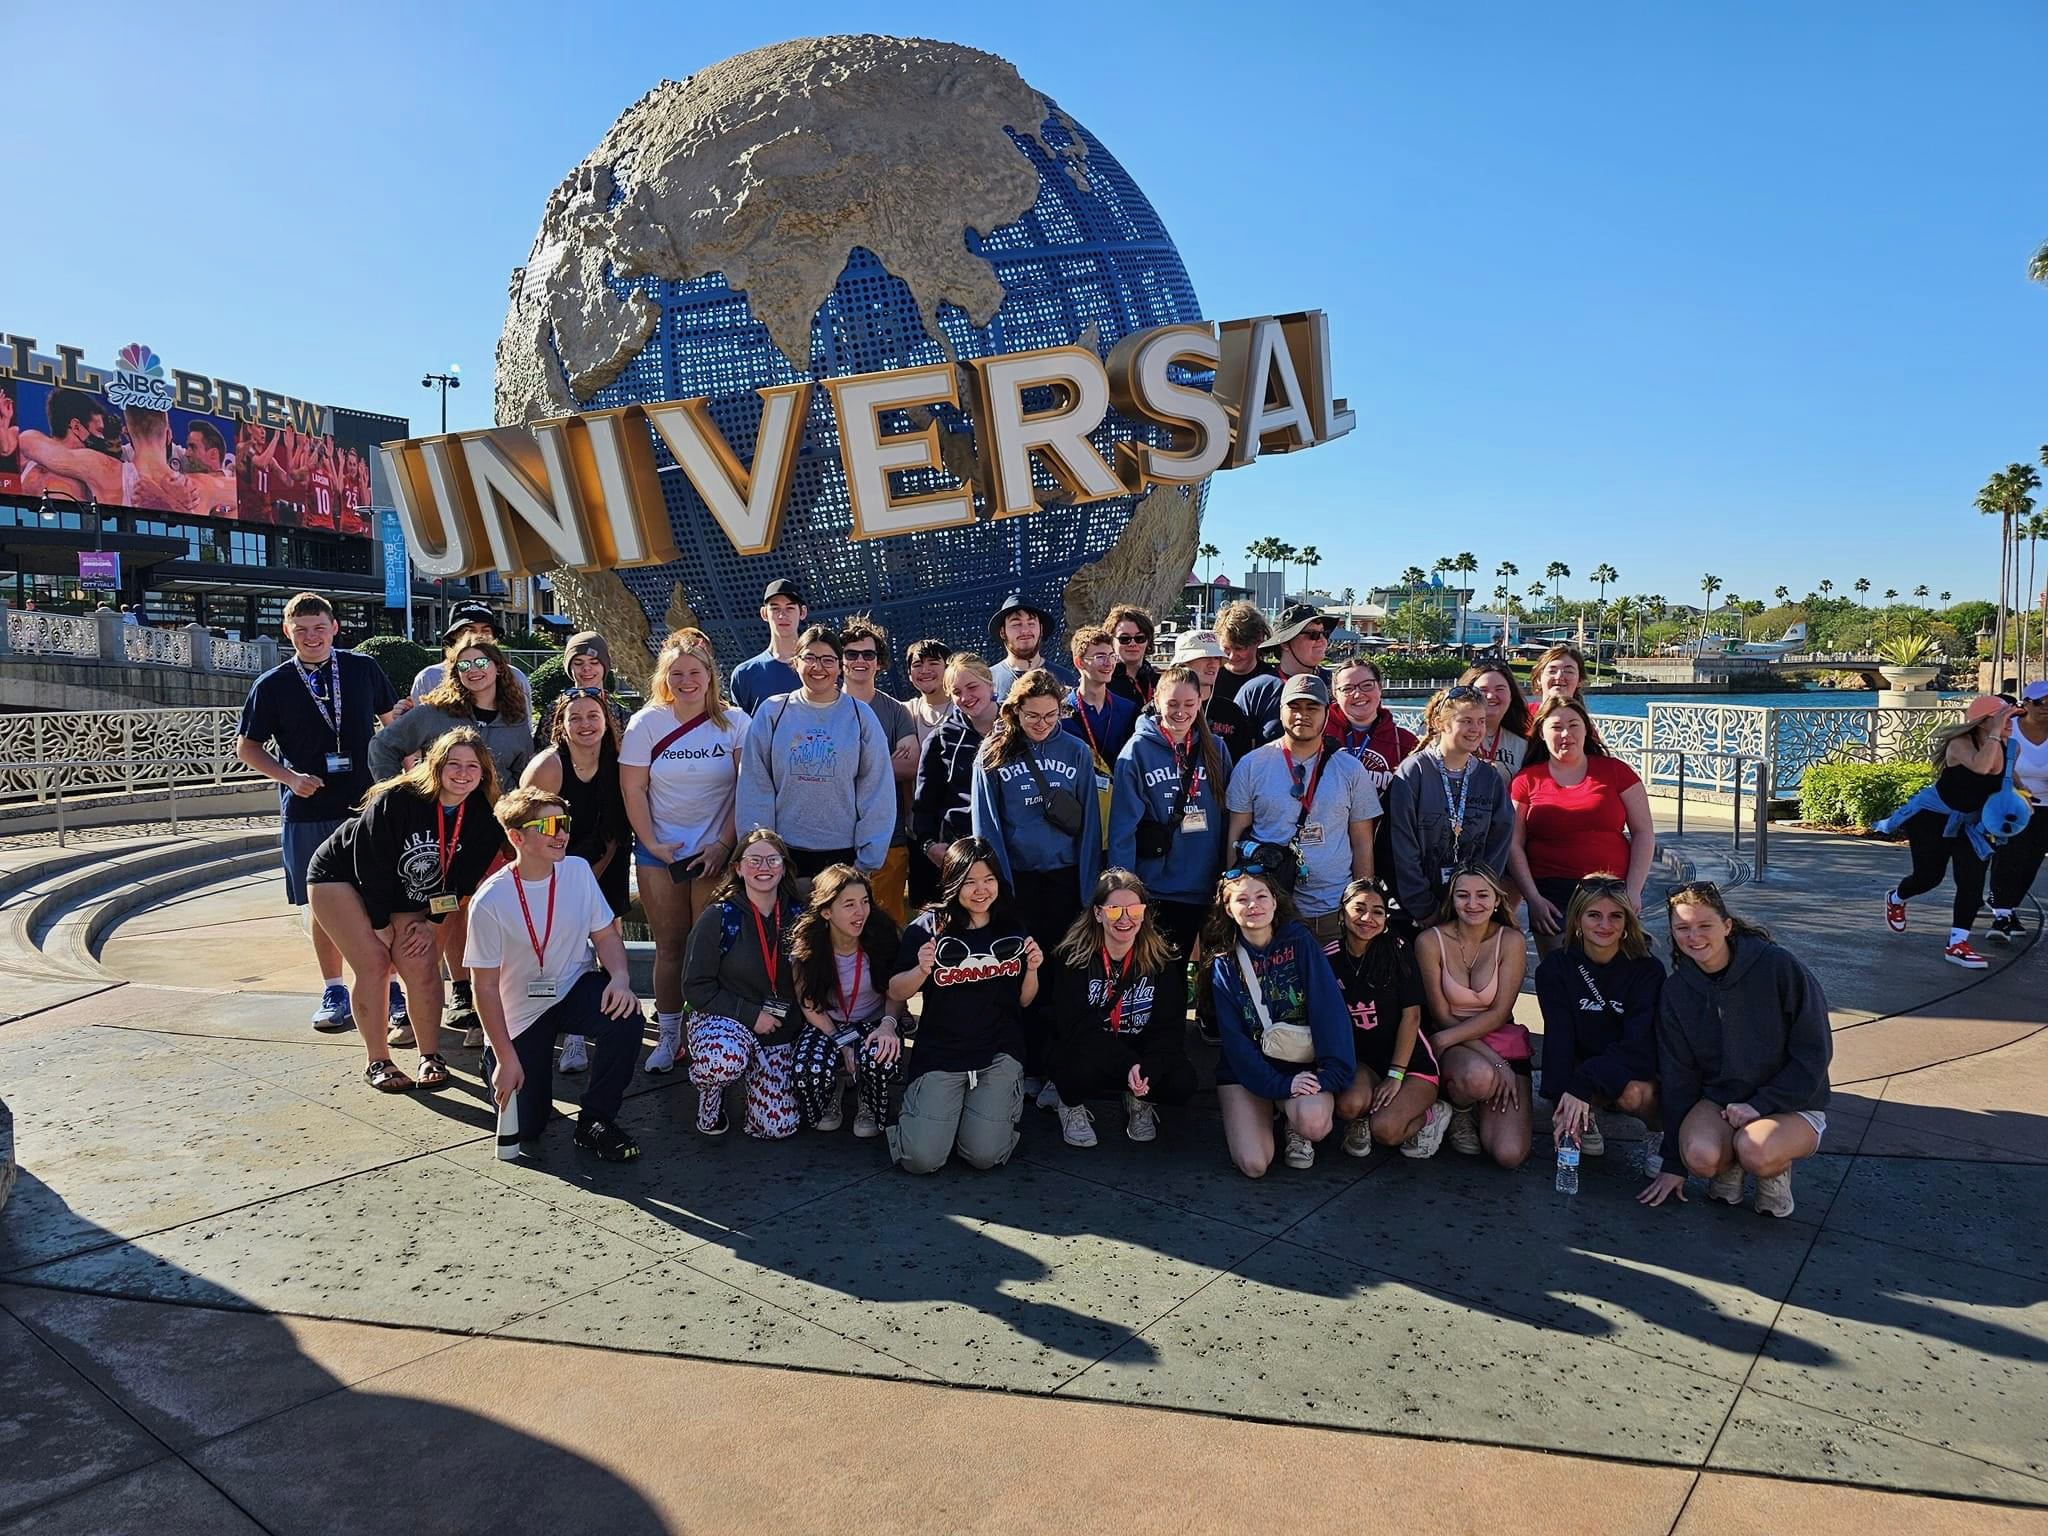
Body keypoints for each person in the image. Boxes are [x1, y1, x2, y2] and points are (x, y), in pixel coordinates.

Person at [235, 592, 402, 1033]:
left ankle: (391, 988)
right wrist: (289, 777)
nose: (311, 636)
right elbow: (247, 747)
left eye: (319, 627)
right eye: (302, 629)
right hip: (307, 808)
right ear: (288, 631)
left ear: (335, 628)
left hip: (367, 805)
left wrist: (403, 777)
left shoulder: (363, 669)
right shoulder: (271, 685)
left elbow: (395, 725)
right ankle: (334, 989)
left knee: (379, 899)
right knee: (323, 905)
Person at [304, 728, 507, 1091]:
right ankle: (377, 1060)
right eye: (453, 764)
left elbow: (458, 884)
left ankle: (430, 1055)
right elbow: (371, 864)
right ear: (436, 766)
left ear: (484, 772)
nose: (462, 773)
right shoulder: (399, 799)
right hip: (342, 877)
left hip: (407, 891)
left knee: (420, 959)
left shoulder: (482, 815)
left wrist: (431, 923)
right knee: (375, 963)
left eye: (472, 766)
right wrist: (380, 923)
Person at [466, 786, 644, 1162]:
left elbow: (606, 935)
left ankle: (595, 1121)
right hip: (519, 1012)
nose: (561, 833)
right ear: (517, 837)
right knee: (530, 1127)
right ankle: (495, 1064)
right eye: (547, 825)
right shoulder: (490, 900)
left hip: (572, 987)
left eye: (563, 823)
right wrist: (503, 1056)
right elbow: (483, 987)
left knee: (625, 1015)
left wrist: (620, 978)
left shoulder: (577, 871)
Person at [1640, 882, 1831, 1219]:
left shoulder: (1777, 966)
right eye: (1682, 928)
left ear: (1727, 926)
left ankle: (1773, 1168)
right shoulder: (1676, 990)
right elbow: (1678, 1074)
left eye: (1705, 925)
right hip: (1723, 1101)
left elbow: (1814, 1052)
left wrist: (1761, 1104)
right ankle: (1731, 1166)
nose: (1694, 936)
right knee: (1699, 1156)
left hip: (1790, 1102)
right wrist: (1673, 1161)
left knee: (1755, 1148)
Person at [618, 628, 748, 1074]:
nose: (687, 681)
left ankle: (708, 1032)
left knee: (710, 947)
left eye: (695, 673)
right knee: (670, 946)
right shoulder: (647, 723)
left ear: (710, 677)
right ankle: (670, 1034)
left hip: (716, 851)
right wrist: (652, 842)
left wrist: (725, 844)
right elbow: (633, 788)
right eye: (677, 674)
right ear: (664, 678)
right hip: (662, 852)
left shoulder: (735, 723)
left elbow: (744, 790)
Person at [970, 667, 1103, 1100]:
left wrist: (1088, 892)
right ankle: (1020, 1064)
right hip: (1017, 882)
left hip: (1064, 882)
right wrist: (997, 890)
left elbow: (1090, 830)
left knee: (1064, 977)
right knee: (1020, 973)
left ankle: (1055, 1068)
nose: (1042, 724)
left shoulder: (1079, 752)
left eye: (1050, 716)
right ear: (1014, 712)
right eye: (1032, 716)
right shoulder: (993, 752)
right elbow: (986, 828)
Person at [885, 837, 1041, 1173]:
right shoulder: (927, 928)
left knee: (984, 1156)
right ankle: (933, 1119)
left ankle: (975, 1120)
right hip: (942, 1051)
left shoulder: (1011, 924)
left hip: (997, 1050)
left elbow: (1025, 1000)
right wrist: (921, 969)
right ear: (953, 882)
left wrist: (1032, 969)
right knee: (921, 1160)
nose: (980, 890)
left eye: (988, 879)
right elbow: (896, 991)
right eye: (969, 881)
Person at [1202, 862, 1355, 1174]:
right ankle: (1273, 1106)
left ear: (1275, 901)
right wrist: (1279, 1086)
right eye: (1242, 900)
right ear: (1229, 910)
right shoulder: (1224, 965)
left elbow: (1330, 1014)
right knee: (1254, 1164)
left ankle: (1293, 1122)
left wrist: (1329, 1076)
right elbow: (1235, 1041)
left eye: (1261, 897)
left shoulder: (1300, 942)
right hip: (1249, 1073)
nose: (1253, 906)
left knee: (1313, 1124)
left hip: (1302, 1064)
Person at [1107, 665, 1229, 1032]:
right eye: (1172, 702)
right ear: (1156, 701)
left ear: (1200, 701)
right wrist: (1123, 889)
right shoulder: (1137, 751)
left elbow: (1227, 815)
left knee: (1204, 969)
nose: (1180, 711)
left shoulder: (1215, 748)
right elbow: (1122, 828)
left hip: (1203, 881)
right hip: (1157, 883)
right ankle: (1161, 1048)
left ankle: (1185, 1042)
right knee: (1161, 972)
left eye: (1189, 703)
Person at [520, 688, 630, 1076]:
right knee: (563, 945)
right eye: (576, 718)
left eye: (593, 716)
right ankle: (569, 1035)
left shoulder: (619, 762)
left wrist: (595, 872)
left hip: (608, 861)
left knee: (608, 937)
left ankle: (604, 1015)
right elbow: (522, 825)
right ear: (561, 727)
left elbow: (620, 822)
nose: (585, 724)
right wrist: (565, 876)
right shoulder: (549, 766)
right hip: (556, 867)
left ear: (606, 722)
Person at [1045, 869, 1198, 1146]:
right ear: (1098, 913)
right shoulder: (1073, 958)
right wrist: (1126, 1063)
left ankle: (1139, 1098)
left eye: (1135, 910)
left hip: (1139, 1051)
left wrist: (1146, 1067)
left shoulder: (1161, 960)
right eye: (1115, 911)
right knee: (1072, 1069)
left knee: (1182, 1081)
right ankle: (1070, 1104)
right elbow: (1075, 1027)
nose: (1125, 919)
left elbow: (1169, 1028)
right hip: (1093, 1050)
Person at [1224, 674, 1379, 942]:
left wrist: (1362, 902)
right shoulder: (1252, 765)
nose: (1302, 715)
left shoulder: (1351, 769)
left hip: (1333, 910)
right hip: (1268, 911)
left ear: (1327, 713)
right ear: (1281, 710)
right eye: (1294, 707)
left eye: (1312, 708)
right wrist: (1233, 895)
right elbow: (1234, 838)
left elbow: (1362, 842)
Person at [737, 625, 893, 879]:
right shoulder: (772, 712)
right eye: (809, 658)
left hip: (844, 856)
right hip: (783, 854)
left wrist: (867, 860)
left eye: (828, 660)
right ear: (795, 662)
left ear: (840, 666)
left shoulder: (861, 715)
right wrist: (757, 851)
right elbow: (755, 784)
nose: (818, 667)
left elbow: (877, 789)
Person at [681, 828, 806, 1138]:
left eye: (772, 860)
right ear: (737, 867)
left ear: (784, 867)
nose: (763, 867)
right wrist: (751, 1016)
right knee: (722, 1061)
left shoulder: (800, 917)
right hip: (724, 1022)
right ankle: (712, 1094)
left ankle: (758, 1083)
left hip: (778, 1029)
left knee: (778, 1128)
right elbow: (695, 988)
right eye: (754, 860)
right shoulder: (718, 918)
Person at [1508, 695, 1656, 955]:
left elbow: (1643, 832)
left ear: (1587, 730)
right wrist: (1533, 899)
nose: (1566, 733)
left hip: (1611, 888)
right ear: (1541, 733)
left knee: (1615, 973)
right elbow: (1513, 844)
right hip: (1551, 894)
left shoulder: (1616, 771)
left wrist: (1632, 890)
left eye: (1574, 724)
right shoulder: (1526, 780)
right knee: (1560, 975)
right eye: (1556, 726)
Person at [1882, 696, 2020, 968]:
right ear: (1983, 722)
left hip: (1973, 824)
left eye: (2012, 719)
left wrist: (2024, 798)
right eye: (2005, 718)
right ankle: (1896, 898)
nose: (2011, 724)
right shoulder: (1959, 745)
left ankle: (1957, 943)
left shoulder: (2011, 747)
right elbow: (1981, 767)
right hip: (1932, 819)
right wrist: (1995, 730)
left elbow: (2009, 778)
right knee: (1928, 877)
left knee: (1972, 881)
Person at [1536, 876, 1664, 1166]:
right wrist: (1561, 1097)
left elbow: (1639, 1044)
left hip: (1629, 1063)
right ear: (1577, 920)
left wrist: (1584, 1083)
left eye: (1615, 916)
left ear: (1627, 921)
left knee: (1633, 1095)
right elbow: (1559, 1038)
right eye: (1594, 915)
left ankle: (1660, 1131)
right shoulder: (1555, 967)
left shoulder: (1648, 969)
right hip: (1582, 1064)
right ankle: (1583, 1116)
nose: (1605, 925)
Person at [1324, 878, 1450, 1158]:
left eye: (1378, 911)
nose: (1368, 918)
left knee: (1387, 1131)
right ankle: (1361, 1119)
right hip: (1364, 1062)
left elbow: (1412, 1016)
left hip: (1410, 1062)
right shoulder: (1328, 958)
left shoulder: (1399, 950)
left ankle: (1432, 1115)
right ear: (1342, 913)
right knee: (1347, 1105)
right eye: (1359, 908)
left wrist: (1395, 1074)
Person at [1416, 863, 1531, 1168]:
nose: (1472, 904)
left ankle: (1480, 1101)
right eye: (1462, 895)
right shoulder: (1430, 941)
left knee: (1509, 1154)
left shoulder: (1512, 940)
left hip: (1494, 1040)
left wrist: (1500, 1061)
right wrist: (1494, 1063)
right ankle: (1459, 1108)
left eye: (1482, 895)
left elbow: (1500, 1013)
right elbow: (1441, 1016)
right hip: (1457, 1046)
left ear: (1497, 900)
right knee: (1480, 1078)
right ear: (1451, 901)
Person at [789, 865, 905, 1138]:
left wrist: (888, 1025)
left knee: (881, 1058)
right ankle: (834, 1086)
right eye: (849, 905)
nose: (860, 912)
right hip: (829, 1022)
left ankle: (870, 1100)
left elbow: (895, 993)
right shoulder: (807, 946)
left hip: (874, 1020)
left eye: (864, 902)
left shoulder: (884, 936)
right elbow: (808, 1003)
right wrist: (841, 1044)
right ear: (826, 911)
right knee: (807, 1070)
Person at [1386, 685, 1517, 926]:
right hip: (1419, 913)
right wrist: (1425, 909)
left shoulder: (1490, 778)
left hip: (1473, 911)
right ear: (1440, 722)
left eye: (1480, 721)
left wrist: (1479, 898)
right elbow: (1402, 847)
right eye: (1466, 721)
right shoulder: (1413, 772)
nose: (1476, 729)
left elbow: (1499, 843)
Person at [838, 615, 920, 922]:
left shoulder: (896, 711)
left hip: (888, 839)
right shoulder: (825, 708)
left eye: (868, 654)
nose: (860, 661)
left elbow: (910, 764)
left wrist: (847, 765)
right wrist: (885, 759)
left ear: (879, 662)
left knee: (888, 924)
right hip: (836, 839)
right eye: (851, 654)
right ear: (841, 660)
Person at [371, 636, 535, 787]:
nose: (473, 669)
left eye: (481, 663)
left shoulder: (515, 720)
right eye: (463, 665)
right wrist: (393, 794)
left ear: (498, 667)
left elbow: (524, 776)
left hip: (495, 814)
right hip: (439, 814)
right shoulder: (433, 713)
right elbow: (382, 745)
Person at [911, 653, 999, 907]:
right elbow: (924, 802)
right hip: (965, 851)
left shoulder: (1016, 726)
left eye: (973, 687)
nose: (966, 697)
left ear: (990, 684)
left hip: (1014, 850)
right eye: (957, 692)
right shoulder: (942, 738)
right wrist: (928, 845)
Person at [1988, 680, 2048, 940]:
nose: (2046, 708)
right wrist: (2019, 789)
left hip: (2045, 806)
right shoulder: (2010, 731)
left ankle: (2009, 907)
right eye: (2041, 703)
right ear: (2025, 704)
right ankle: (2002, 913)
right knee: (2012, 856)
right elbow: (1997, 764)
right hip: (2013, 804)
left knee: (2033, 860)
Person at [1233, 604, 1335, 744]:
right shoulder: (1257, 690)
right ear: (1285, 644)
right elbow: (1235, 748)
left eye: (1325, 633)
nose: (1322, 640)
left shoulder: (1338, 684)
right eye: (1313, 635)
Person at [408, 604, 530, 701]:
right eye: (468, 631)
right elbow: (418, 727)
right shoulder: (429, 677)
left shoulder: (515, 677)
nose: (477, 636)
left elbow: (524, 725)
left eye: (485, 630)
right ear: (453, 635)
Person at [728, 577, 808, 711]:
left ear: (803, 612)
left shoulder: (819, 667)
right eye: (775, 608)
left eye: (790, 608)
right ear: (764, 613)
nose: (782, 615)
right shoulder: (744, 674)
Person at [1066, 623, 1139, 768]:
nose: (1108, 664)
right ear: (1079, 662)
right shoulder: (1062, 713)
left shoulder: (1128, 710)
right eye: (1100, 657)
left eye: (1112, 656)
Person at [987, 591, 1077, 697]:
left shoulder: (1065, 678)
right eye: (1016, 624)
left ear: (1041, 629)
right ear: (1002, 632)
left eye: (1031, 623)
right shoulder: (989, 681)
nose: (1025, 630)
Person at [1458, 659, 1531, 779]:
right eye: (1482, 690)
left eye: (1500, 689)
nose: (1491, 696)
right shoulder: (1451, 737)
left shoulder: (1522, 746)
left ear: (1511, 696)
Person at [1209, 599, 1277, 727]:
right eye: (1227, 648)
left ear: (1259, 640)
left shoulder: (1271, 682)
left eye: (1240, 648)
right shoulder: (1209, 676)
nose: (1232, 656)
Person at [900, 638, 953, 751]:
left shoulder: (965, 706)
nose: (925, 670)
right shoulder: (904, 712)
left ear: (949, 669)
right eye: (917, 665)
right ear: (909, 674)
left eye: (933, 663)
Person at [1104, 603, 1160, 707]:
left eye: (1140, 638)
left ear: (1148, 641)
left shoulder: (1161, 683)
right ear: (1111, 641)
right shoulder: (1102, 683)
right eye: (1124, 639)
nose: (1132, 644)